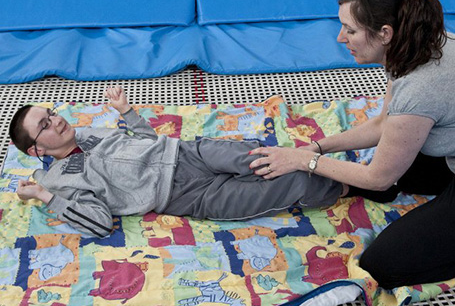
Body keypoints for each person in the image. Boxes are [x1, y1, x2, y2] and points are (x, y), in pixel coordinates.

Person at [249, 0, 455, 289]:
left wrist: (303, 161)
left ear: (385, 33)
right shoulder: (417, 44)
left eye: (350, 30)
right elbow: (385, 124)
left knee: (383, 266)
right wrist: (317, 148)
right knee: (402, 172)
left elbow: (378, 177)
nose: (340, 38)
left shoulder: (420, 87)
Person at [10, 86, 342, 238]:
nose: (55, 121)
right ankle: (350, 183)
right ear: (36, 150)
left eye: (50, 114)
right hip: (185, 195)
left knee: (259, 157)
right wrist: (44, 197)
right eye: (44, 126)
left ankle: (327, 162)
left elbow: (146, 141)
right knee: (289, 185)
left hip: (186, 153)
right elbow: (97, 224)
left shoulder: (86, 132)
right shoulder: (58, 182)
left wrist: (128, 113)